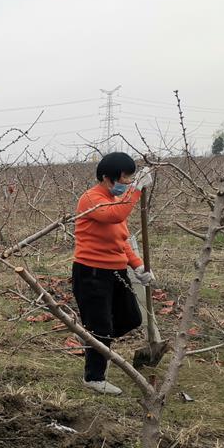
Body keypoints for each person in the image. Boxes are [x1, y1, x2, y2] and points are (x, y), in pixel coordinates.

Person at [73, 152, 154, 395]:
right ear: (107, 178)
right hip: (92, 272)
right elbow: (115, 214)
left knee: (131, 318)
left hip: (116, 271)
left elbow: (122, 238)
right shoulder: (91, 199)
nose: (127, 184)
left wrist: (138, 266)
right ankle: (94, 377)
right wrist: (136, 191)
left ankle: (95, 342)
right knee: (101, 327)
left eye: (130, 180)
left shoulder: (115, 199)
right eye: (125, 180)